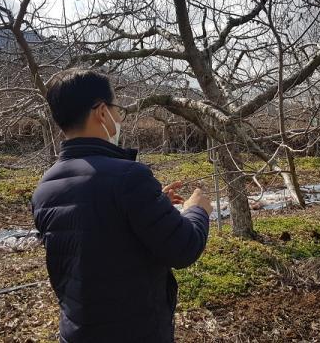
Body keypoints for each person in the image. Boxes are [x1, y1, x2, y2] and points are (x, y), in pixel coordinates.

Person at [31, 69, 213, 342]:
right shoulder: (129, 177)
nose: (118, 119)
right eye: (117, 110)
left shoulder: (44, 188)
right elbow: (184, 248)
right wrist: (196, 209)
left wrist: (155, 205)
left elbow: (94, 239)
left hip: (75, 332)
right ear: (102, 112)